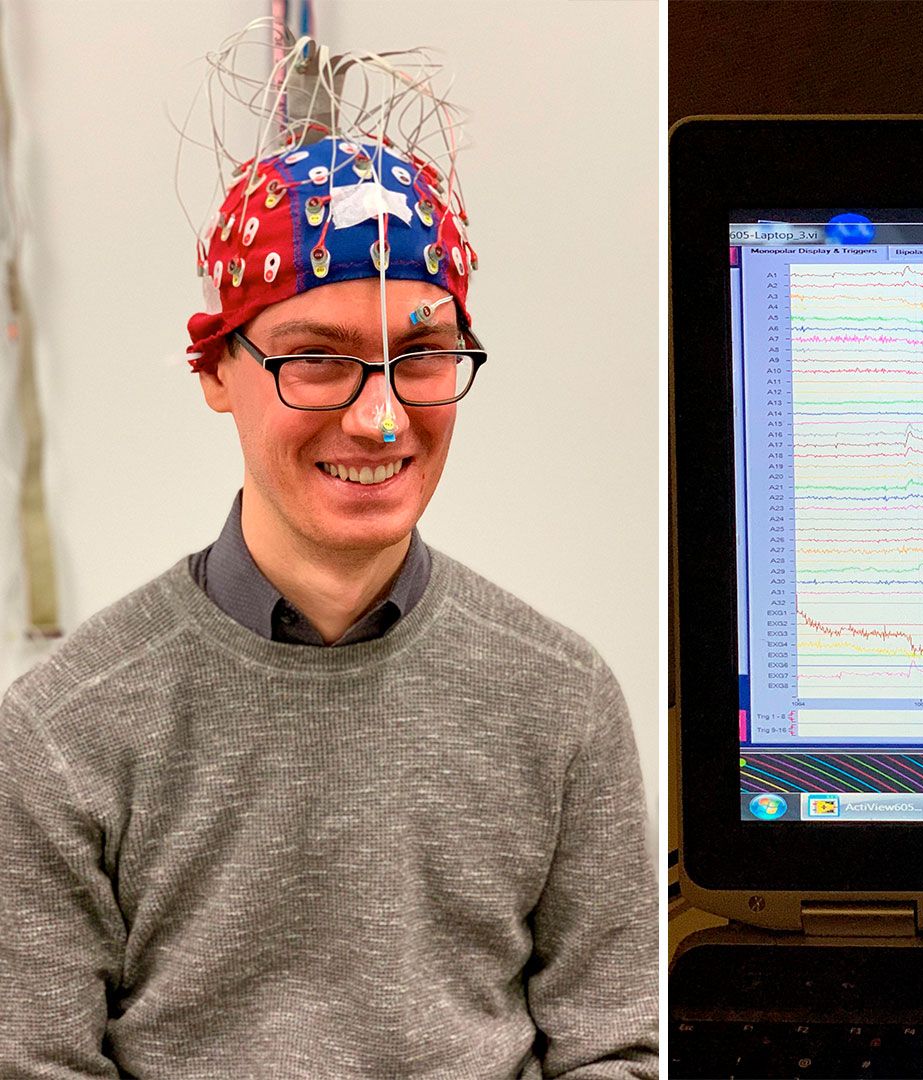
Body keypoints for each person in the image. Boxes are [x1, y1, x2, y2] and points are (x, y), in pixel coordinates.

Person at [0, 35, 657, 1078]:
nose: (383, 420)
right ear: (216, 365)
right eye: (318, 359)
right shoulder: (62, 731)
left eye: (424, 356)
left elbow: (613, 1049)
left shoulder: (563, 700)